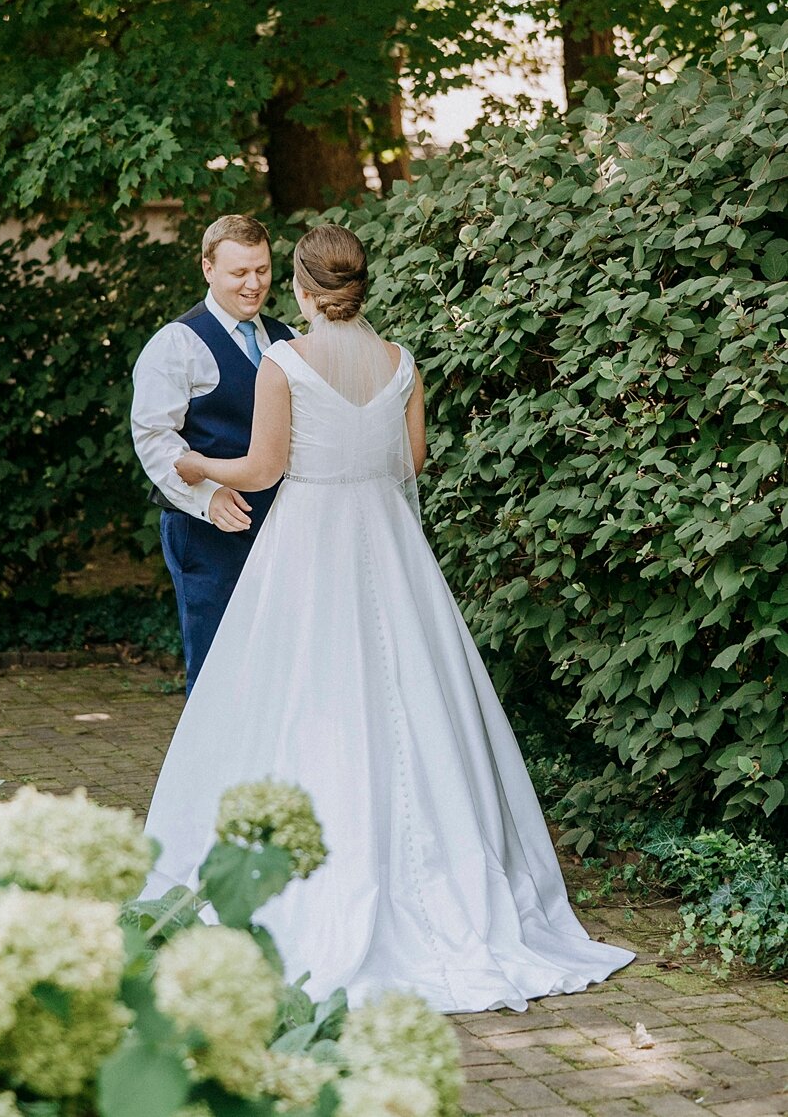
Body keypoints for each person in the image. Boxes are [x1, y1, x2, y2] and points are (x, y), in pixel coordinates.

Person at [142, 222, 634, 1014]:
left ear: (302, 289)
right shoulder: (401, 362)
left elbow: (264, 468)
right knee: (408, 697)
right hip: (390, 545)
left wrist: (197, 465)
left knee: (300, 697)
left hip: (306, 545)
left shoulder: (283, 361)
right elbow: (411, 461)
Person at [130, 215, 295, 694]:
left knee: (280, 662)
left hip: (283, 526)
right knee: (218, 665)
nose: (253, 284)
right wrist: (206, 495)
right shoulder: (176, 343)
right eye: (238, 272)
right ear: (207, 268)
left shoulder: (286, 338)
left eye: (261, 270)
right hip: (206, 530)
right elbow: (154, 437)